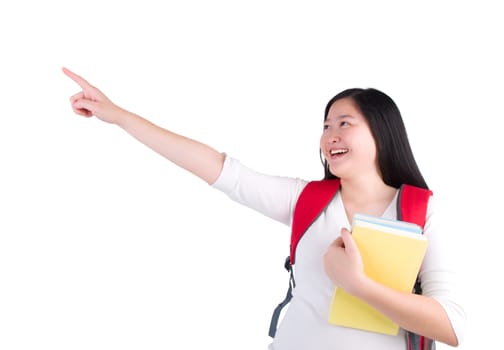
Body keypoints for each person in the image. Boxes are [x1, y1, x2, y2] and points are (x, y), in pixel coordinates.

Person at [63, 67, 466, 350]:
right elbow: (221, 170)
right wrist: (117, 116)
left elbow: (451, 327)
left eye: (345, 123)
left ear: (382, 131)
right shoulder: (306, 200)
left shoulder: (423, 212)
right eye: (326, 126)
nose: (330, 136)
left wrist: (357, 285)